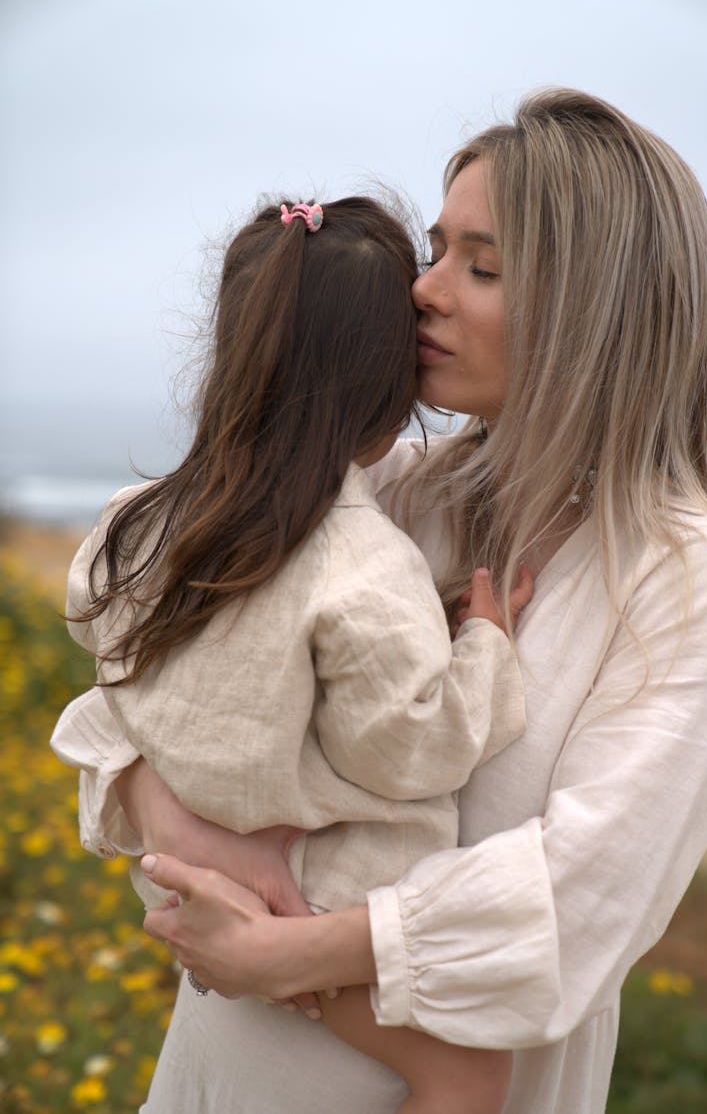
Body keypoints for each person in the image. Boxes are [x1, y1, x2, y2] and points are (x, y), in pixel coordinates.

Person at [51, 88, 707, 1114]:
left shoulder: (690, 572)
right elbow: (146, 675)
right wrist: (187, 830)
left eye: (485, 265)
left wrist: (286, 948)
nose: (422, 290)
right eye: (434, 250)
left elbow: (586, 902)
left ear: (598, 309)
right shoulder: (386, 490)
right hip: (224, 1061)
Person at [55, 194, 534, 1112]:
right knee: (475, 1075)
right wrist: (484, 647)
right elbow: (413, 746)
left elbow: (96, 620)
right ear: (392, 383)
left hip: (186, 880)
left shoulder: (138, 520)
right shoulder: (364, 567)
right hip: (322, 906)